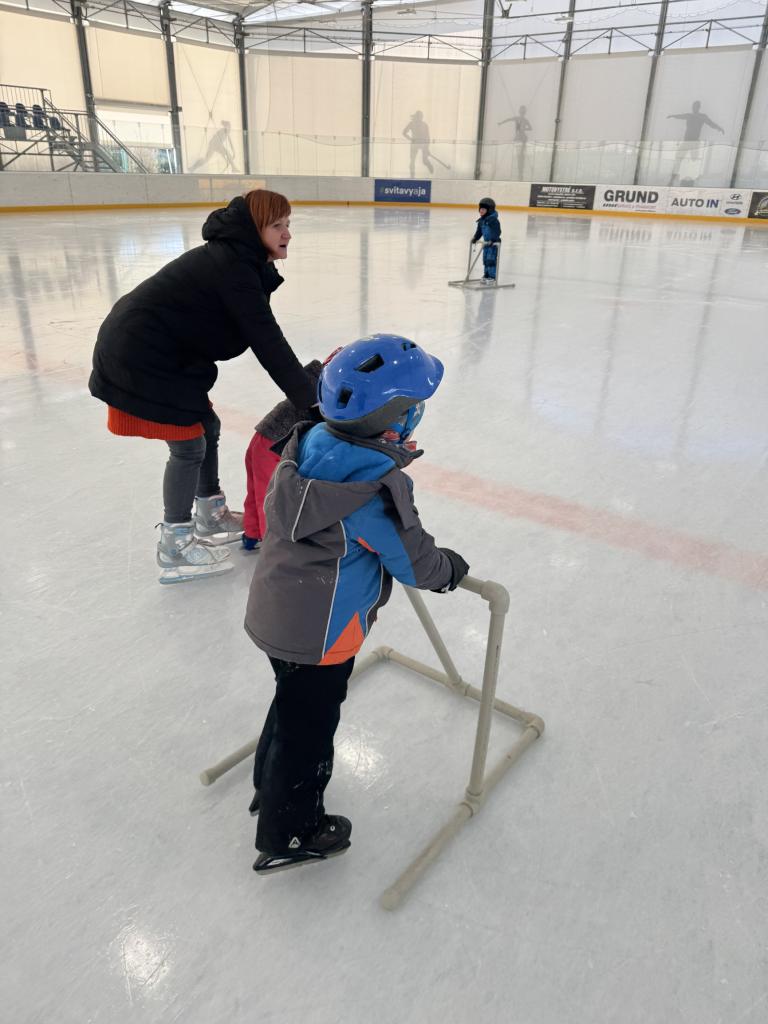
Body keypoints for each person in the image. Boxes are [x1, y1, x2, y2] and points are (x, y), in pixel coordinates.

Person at [243, 334, 470, 874]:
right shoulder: (373, 489)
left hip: (275, 607)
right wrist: (449, 571)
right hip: (322, 632)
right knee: (310, 728)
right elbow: (414, 561)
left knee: (290, 704)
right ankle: (290, 830)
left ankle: (269, 788)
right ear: (395, 423)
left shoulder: (309, 441)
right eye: (417, 409)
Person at [89, 189, 318, 584]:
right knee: (188, 445)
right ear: (254, 229)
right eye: (277, 226)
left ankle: (209, 513)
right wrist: (309, 402)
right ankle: (175, 544)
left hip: (165, 353)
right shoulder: (233, 267)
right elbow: (267, 341)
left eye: (287, 224)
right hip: (141, 354)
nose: (287, 234)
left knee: (206, 425)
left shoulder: (240, 259)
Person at [241, 358, 325, 551]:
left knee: (256, 490)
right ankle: (272, 548)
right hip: (275, 446)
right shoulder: (326, 390)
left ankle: (252, 533)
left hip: (262, 437)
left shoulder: (313, 376)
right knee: (272, 500)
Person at [471, 197, 502, 283]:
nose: (481, 211)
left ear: (489, 210)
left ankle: (492, 276)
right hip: (486, 243)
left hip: (493, 243)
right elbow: (479, 231)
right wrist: (475, 238)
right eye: (480, 209)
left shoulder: (493, 220)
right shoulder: (481, 220)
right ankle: (486, 274)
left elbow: (497, 231)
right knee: (485, 259)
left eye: (483, 209)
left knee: (491, 260)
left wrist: (493, 240)